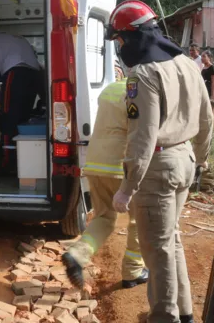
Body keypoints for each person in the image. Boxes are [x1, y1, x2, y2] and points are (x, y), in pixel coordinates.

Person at [106, 0, 213, 323]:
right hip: (185, 160)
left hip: (158, 167)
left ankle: (164, 317)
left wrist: (127, 188)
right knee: (171, 241)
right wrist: (202, 161)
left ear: (132, 36)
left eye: (120, 39)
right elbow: (207, 118)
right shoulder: (187, 64)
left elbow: (143, 136)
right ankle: (184, 313)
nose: (120, 46)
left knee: (157, 251)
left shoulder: (143, 73)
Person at [62, 62, 149, 290]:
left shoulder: (108, 90)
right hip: (120, 165)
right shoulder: (141, 91)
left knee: (103, 217)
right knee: (136, 220)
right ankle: (133, 271)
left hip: (95, 163)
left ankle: (77, 254)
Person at [0, 33, 44, 169]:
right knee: (24, 116)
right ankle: (23, 158)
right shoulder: (20, 39)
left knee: (9, 116)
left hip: (16, 72)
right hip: (34, 74)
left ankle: (8, 161)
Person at [201, 50, 214, 115]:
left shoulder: (212, 68)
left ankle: (213, 125)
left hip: (211, 91)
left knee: (211, 111)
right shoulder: (203, 68)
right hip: (205, 90)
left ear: (209, 57)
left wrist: (213, 95)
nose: (202, 58)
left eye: (204, 56)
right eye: (201, 56)